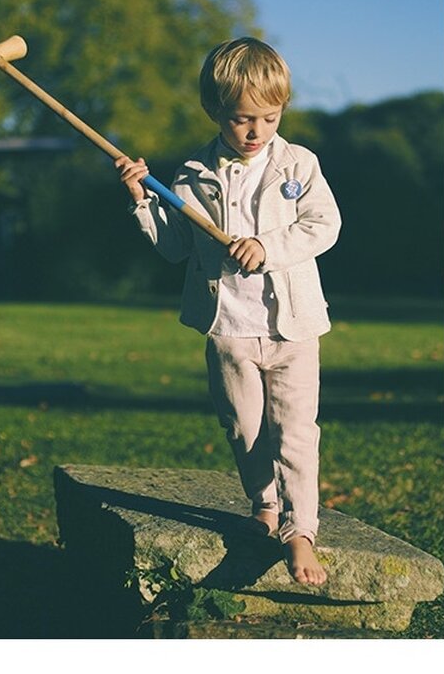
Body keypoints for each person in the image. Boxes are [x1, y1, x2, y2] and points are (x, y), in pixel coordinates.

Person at [115, 37, 341, 586]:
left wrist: (267, 246)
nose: (257, 131)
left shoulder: (299, 164)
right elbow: (174, 247)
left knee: (295, 432)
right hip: (229, 329)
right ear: (215, 111)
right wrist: (143, 198)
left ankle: (301, 529)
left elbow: (323, 226)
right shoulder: (191, 176)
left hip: (293, 328)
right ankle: (264, 505)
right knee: (244, 428)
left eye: (269, 116)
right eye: (243, 119)